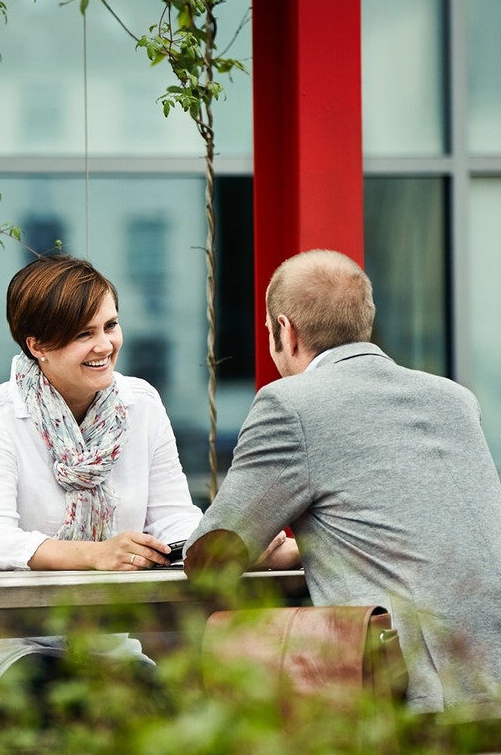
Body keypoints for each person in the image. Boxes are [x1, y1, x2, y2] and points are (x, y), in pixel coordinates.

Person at [185, 248, 501, 716]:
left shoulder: (290, 405)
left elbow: (212, 558)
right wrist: (311, 546)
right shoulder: (452, 398)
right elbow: (417, 524)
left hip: (415, 691)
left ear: (284, 332)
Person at [0, 254, 204, 733]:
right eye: (83, 334)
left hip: (99, 645)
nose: (105, 345)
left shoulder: (141, 404)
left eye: (110, 325)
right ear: (38, 345)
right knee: (69, 705)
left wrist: (229, 537)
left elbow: (174, 518)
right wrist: (96, 555)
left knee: (171, 719)